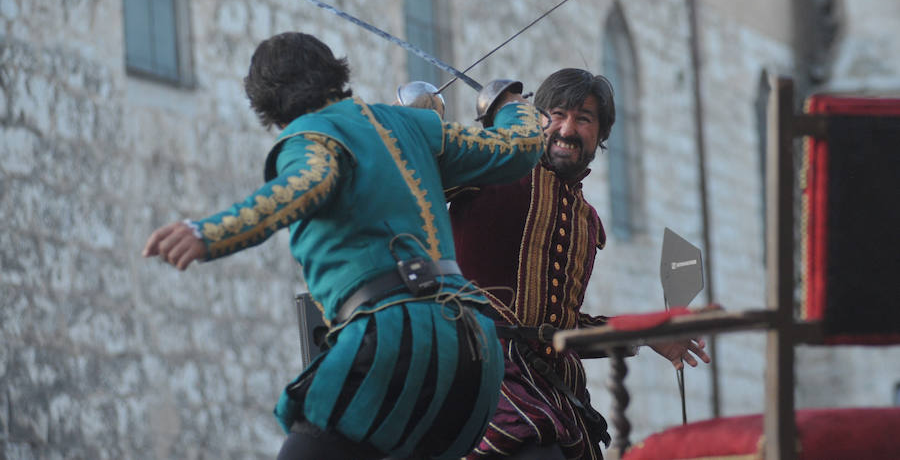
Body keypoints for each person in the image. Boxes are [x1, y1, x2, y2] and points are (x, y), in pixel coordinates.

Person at [141, 32, 546, 460]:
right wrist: (511, 107)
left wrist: (208, 233)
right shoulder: (412, 125)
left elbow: (305, 184)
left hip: (395, 341)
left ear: (268, 104)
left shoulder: (312, 138)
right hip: (474, 351)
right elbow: (519, 147)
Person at [448, 68, 710, 460]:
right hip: (480, 369)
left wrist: (648, 332)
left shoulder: (585, 221)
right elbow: (416, 178)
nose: (568, 129)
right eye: (557, 114)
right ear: (537, 121)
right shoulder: (492, 167)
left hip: (555, 391)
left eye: (583, 119)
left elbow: (561, 326)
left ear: (600, 136)